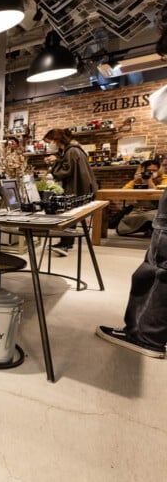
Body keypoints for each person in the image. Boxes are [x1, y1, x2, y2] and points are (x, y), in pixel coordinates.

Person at [96, 78, 167, 358]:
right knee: (153, 266)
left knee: (158, 267)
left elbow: (159, 107)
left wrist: (151, 184)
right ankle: (143, 331)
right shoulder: (139, 178)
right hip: (144, 211)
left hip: (153, 212)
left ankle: (148, 336)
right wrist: (137, 180)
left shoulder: (160, 179)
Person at [43, 127, 97, 255]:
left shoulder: (71, 151)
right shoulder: (72, 150)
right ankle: (66, 242)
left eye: (49, 141)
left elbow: (67, 170)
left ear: (56, 140)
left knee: (68, 215)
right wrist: (57, 159)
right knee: (69, 214)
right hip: (79, 187)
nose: (49, 145)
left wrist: (53, 173)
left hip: (76, 187)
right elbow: (68, 164)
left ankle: (65, 244)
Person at [115, 159, 167, 237]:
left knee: (151, 217)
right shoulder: (139, 180)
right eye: (149, 170)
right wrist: (135, 181)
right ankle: (148, 227)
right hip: (139, 209)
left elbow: (161, 196)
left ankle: (150, 227)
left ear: (159, 170)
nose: (151, 173)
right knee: (122, 226)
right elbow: (123, 192)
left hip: (156, 209)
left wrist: (149, 182)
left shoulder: (164, 178)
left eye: (154, 170)